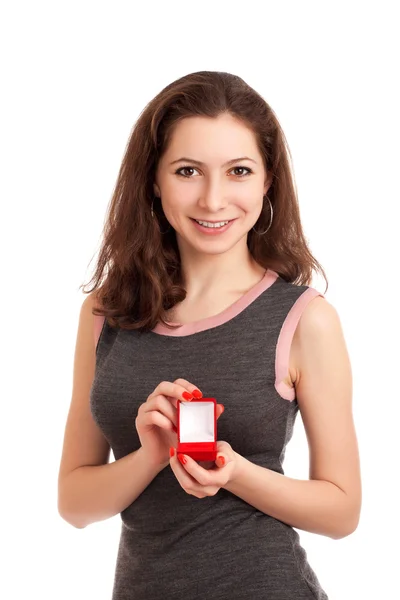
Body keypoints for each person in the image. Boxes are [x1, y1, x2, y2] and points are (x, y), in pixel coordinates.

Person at [57, 71, 361, 599]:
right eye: (188, 171)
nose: (213, 199)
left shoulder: (304, 319)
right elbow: (74, 503)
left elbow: (342, 512)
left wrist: (234, 471)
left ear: (268, 182)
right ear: (154, 179)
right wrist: (152, 454)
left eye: (239, 171)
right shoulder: (104, 314)